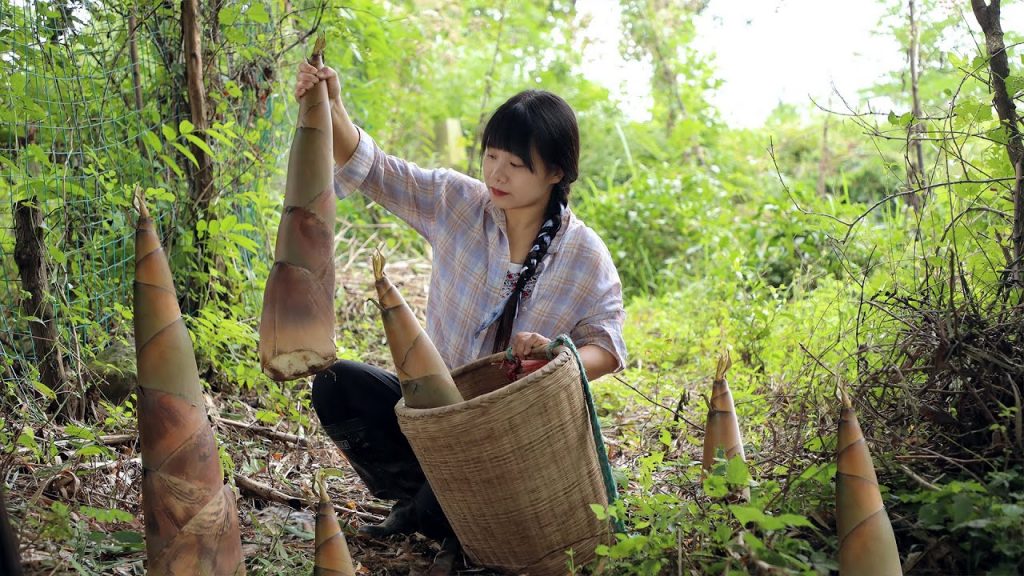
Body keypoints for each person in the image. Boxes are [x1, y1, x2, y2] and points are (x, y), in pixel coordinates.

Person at [294, 61, 627, 542]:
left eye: (516, 165)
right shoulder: (457, 202)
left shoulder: (584, 255)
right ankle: (418, 498)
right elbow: (376, 169)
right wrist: (332, 105)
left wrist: (554, 356)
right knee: (336, 385)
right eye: (491, 155)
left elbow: (607, 347)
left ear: (555, 172)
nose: (497, 173)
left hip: (509, 439)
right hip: (435, 416)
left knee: (458, 499)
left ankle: (437, 513)